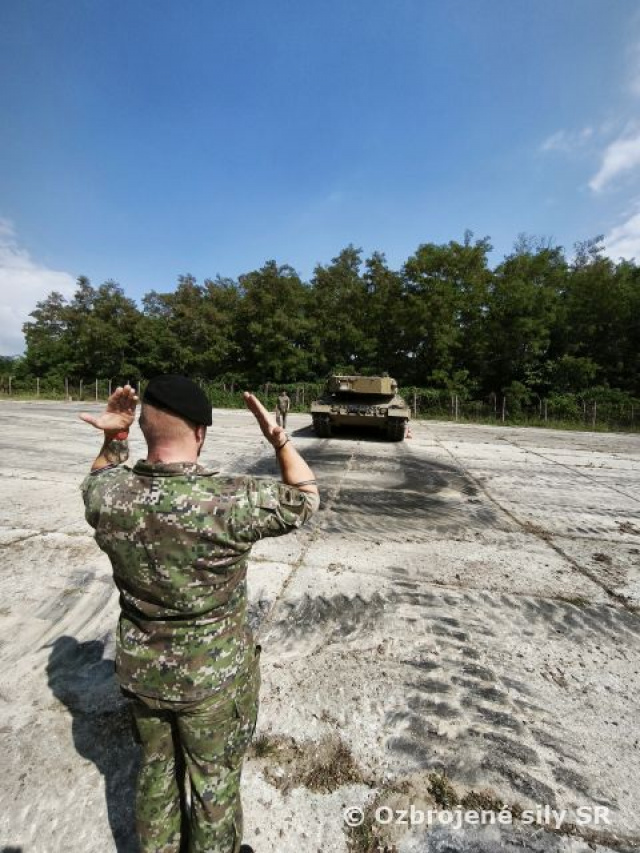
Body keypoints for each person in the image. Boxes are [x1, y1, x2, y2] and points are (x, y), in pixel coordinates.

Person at [79, 376, 319, 853]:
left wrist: (115, 435)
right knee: (214, 786)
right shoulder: (232, 498)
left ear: (144, 428)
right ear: (201, 432)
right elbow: (306, 496)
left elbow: (99, 478)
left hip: (143, 674)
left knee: (155, 773)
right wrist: (279, 439)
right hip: (212, 681)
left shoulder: (110, 495)